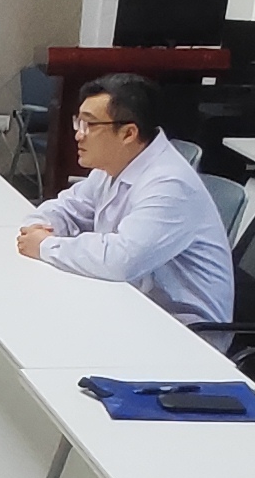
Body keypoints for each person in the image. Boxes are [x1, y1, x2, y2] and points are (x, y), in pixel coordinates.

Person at [15, 74, 233, 328]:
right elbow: (67, 208)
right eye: (79, 122)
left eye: (90, 125)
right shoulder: (112, 165)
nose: (78, 135)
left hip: (182, 329)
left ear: (128, 133)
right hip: (129, 303)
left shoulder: (170, 184)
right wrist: (38, 227)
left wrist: (46, 246)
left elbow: (121, 260)